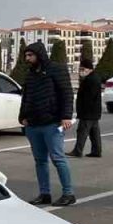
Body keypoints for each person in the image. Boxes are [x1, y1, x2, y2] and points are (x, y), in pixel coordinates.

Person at [19, 42, 76, 207]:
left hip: (52, 123)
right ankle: (45, 194)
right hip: (33, 124)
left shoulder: (56, 69)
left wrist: (66, 116)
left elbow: (66, 93)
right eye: (26, 55)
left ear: (39, 54)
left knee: (58, 158)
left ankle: (68, 193)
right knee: (40, 161)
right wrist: (22, 116)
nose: (27, 58)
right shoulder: (30, 73)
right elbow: (26, 96)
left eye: (30, 55)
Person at [70, 58, 104, 158]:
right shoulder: (94, 78)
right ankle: (97, 151)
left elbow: (88, 97)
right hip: (94, 112)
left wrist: (82, 111)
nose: (81, 71)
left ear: (89, 69)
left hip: (88, 112)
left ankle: (78, 151)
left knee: (82, 131)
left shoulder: (90, 80)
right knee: (94, 133)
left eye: (82, 69)